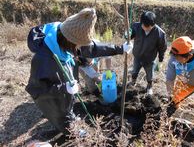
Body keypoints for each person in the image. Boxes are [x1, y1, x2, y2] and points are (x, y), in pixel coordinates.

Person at [26, 8, 133, 137]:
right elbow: (37, 89)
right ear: (70, 41)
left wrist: (120, 49)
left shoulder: (66, 37)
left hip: (67, 89)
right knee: (60, 113)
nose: (81, 49)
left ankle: (70, 117)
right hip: (53, 97)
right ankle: (70, 131)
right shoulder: (43, 59)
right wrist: (63, 88)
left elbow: (92, 49)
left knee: (69, 104)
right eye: (79, 46)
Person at [128, 11, 167, 95]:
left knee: (150, 75)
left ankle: (149, 86)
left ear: (153, 24)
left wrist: (160, 60)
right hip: (137, 56)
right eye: (143, 26)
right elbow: (130, 36)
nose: (145, 28)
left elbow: (162, 48)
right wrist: (127, 34)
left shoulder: (160, 33)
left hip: (149, 59)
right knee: (134, 71)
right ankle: (133, 82)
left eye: (148, 27)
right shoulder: (136, 26)